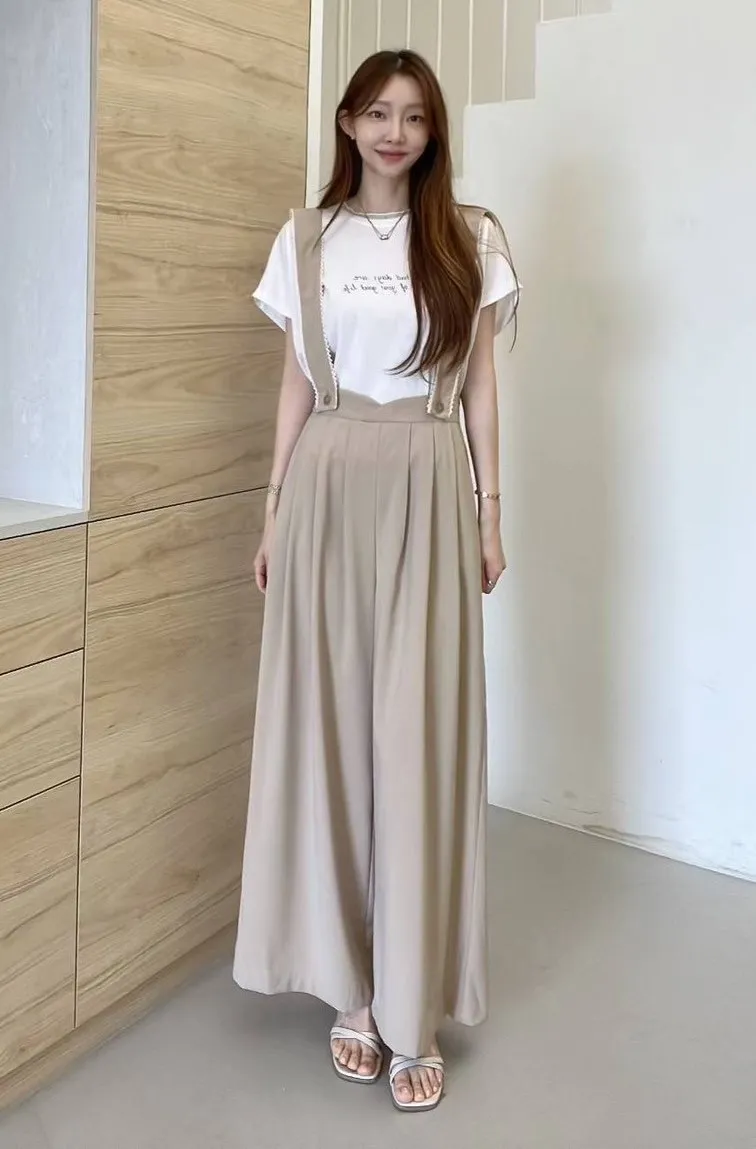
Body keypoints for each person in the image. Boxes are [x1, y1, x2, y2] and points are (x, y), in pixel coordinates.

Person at [233, 48, 519, 1113]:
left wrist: (491, 512)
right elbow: (297, 380)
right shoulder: (306, 237)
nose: (395, 132)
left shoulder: (472, 237)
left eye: (415, 116)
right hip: (325, 482)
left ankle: (414, 1004)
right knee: (330, 730)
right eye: (378, 113)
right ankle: (351, 991)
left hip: (430, 478)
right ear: (348, 123)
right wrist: (273, 508)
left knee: (416, 734)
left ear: (433, 131)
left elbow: (480, 384)